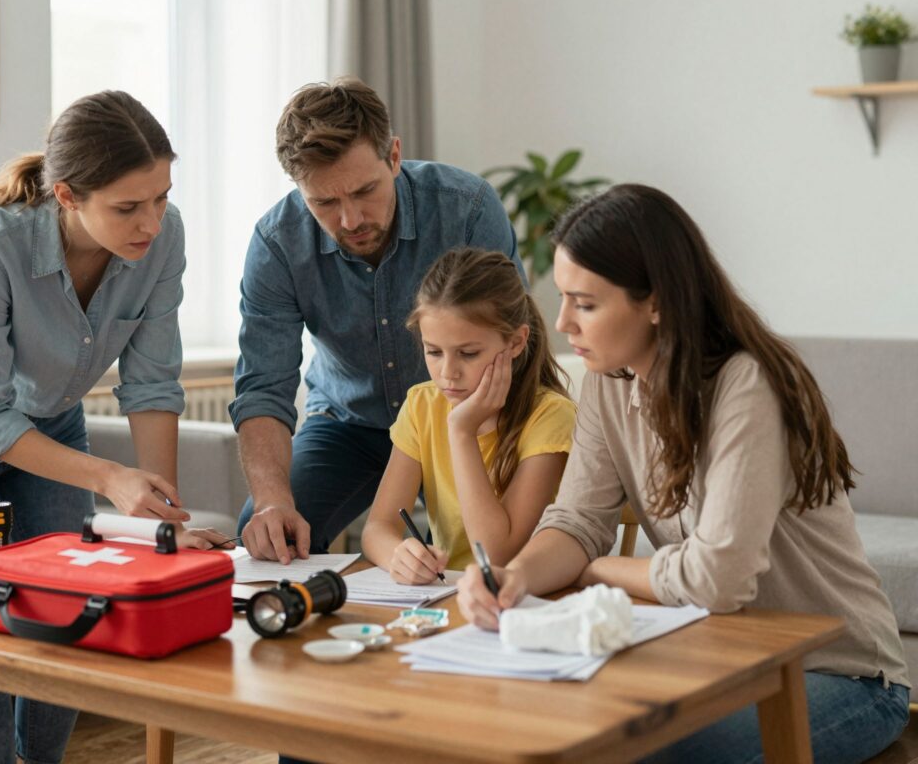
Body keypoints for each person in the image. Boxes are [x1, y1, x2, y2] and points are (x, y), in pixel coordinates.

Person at [457, 184, 911, 764]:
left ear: (656, 303)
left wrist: (602, 570)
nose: (562, 321)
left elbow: (716, 581)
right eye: (564, 298)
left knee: (647, 753)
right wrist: (513, 577)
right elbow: (576, 521)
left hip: (840, 674)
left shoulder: (746, 385)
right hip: (722, 658)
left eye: (586, 304)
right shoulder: (608, 382)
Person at [0, 90, 230, 764]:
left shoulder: (165, 240)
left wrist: (164, 518)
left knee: (70, 604)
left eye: (162, 197)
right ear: (69, 196)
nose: (153, 223)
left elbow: (153, 381)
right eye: (129, 207)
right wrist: (110, 478)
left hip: (50, 423)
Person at [232, 78, 521, 563]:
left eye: (365, 191)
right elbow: (263, 387)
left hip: (465, 415)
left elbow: (512, 338)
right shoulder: (277, 242)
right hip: (349, 422)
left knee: (498, 558)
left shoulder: (466, 207)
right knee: (266, 538)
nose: (350, 220)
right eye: (324, 202)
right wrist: (272, 499)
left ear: (393, 155)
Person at [361, 248, 575, 581]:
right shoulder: (421, 406)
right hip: (452, 596)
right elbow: (378, 527)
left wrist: (462, 432)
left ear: (516, 342)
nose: (448, 373)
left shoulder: (550, 417)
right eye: (433, 351)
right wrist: (398, 557)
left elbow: (495, 555)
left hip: (528, 598)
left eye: (469, 353)